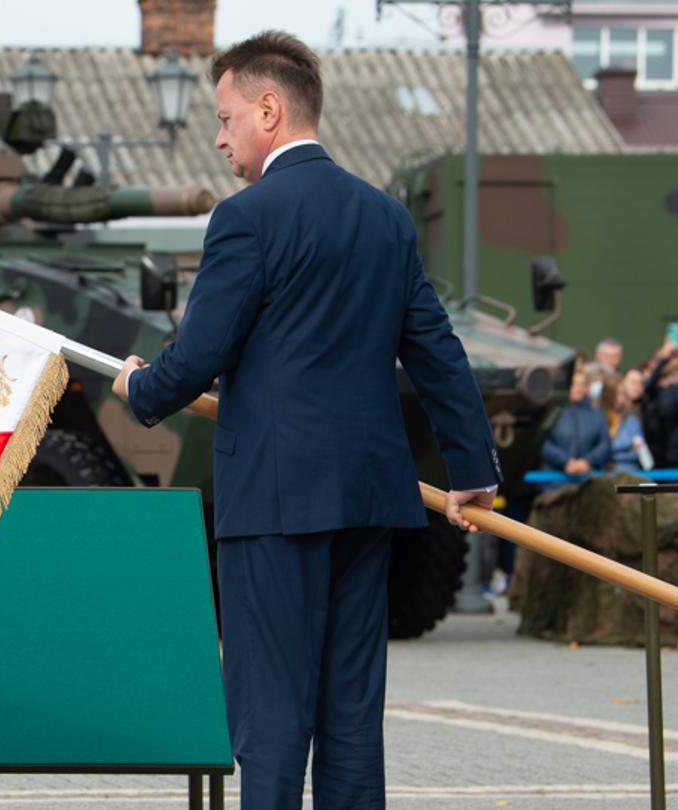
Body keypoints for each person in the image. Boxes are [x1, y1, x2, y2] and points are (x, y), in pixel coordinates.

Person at [109, 32, 500, 810]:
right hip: (369, 499)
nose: (219, 138)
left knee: (272, 716)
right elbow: (436, 353)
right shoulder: (385, 218)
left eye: (224, 119)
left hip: (276, 504)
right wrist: (474, 474)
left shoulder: (246, 219)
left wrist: (137, 386)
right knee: (351, 718)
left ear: (269, 108)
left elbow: (196, 359)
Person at [538, 366, 610, 485]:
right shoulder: (552, 411)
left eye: (582, 384)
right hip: (553, 483)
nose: (578, 388)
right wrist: (565, 461)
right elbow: (542, 442)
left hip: (588, 482)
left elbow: (604, 444)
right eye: (574, 383)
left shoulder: (596, 413)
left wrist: (587, 462)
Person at [606, 368, 652, 472]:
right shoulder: (599, 416)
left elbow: (642, 452)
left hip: (629, 472)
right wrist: (628, 445)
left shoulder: (632, 419)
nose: (620, 398)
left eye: (640, 383)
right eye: (632, 382)